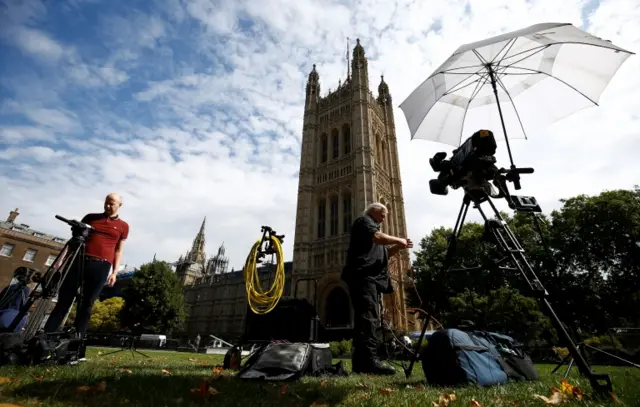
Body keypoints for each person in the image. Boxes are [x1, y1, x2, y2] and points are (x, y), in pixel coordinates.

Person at [44, 193, 129, 356]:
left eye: (112, 203)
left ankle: (76, 348)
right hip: (79, 261)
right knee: (63, 302)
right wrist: (60, 262)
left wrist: (115, 272)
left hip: (102, 265)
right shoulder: (90, 218)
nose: (108, 206)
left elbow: (119, 250)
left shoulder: (123, 226)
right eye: (106, 203)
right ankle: (46, 342)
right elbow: (74, 240)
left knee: (87, 306)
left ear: (119, 205)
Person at [341, 202, 413, 375]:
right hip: (363, 276)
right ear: (375, 211)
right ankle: (369, 362)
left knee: (367, 319)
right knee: (368, 319)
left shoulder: (372, 232)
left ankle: (361, 363)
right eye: (383, 214)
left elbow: (384, 253)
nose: (384, 218)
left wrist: (399, 246)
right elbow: (378, 237)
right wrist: (399, 239)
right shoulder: (364, 221)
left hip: (370, 279)